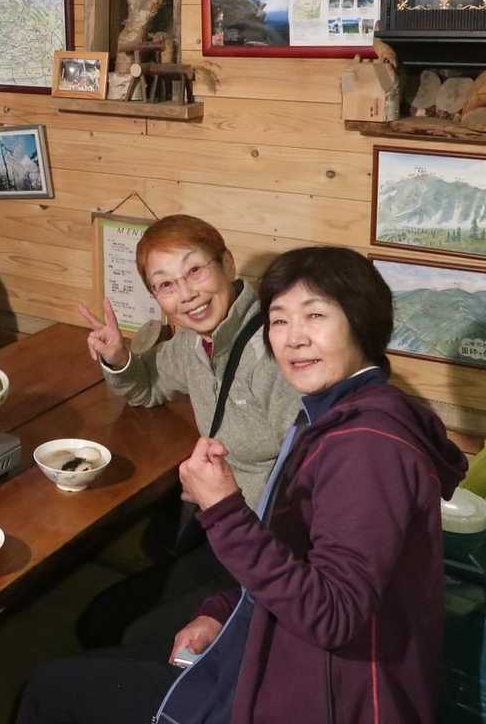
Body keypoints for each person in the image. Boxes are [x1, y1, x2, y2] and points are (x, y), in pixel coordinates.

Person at [19, 246, 467, 723]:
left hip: (325, 697)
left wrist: (224, 510)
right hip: (284, 642)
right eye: (279, 320)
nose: (294, 339)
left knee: (52, 686)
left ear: (362, 323)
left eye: (315, 316)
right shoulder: (339, 413)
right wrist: (221, 608)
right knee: (106, 645)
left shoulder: (366, 448)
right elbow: (302, 554)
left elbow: (332, 616)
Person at [74, 215, 301, 651]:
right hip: (219, 530)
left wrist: (239, 592)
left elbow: (306, 487)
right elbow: (148, 386)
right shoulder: (194, 343)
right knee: (101, 621)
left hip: (264, 549)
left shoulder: (275, 352)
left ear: (227, 265)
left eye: (195, 270)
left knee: (128, 635)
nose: (186, 294)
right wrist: (118, 358)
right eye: (166, 284)